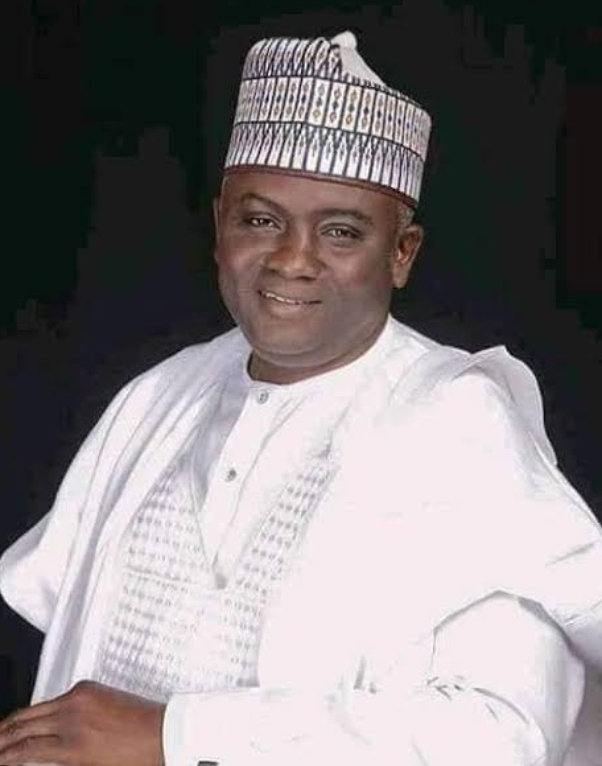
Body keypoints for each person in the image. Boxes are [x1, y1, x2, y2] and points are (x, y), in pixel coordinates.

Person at [0, 29, 601, 766]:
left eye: (341, 232)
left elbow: (497, 739)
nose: (291, 259)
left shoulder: (456, 422)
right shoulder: (157, 401)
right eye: (261, 221)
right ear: (220, 226)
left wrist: (178, 735)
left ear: (401, 253)